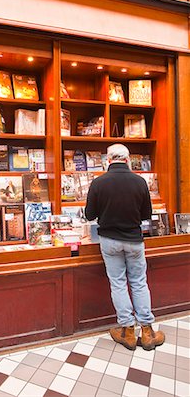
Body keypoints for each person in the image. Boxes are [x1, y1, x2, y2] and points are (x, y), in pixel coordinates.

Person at [85, 144, 165, 351]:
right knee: (139, 282)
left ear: (108, 160)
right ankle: (147, 332)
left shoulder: (98, 182)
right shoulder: (139, 182)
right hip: (134, 240)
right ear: (128, 160)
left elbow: (89, 215)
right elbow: (147, 215)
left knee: (118, 283)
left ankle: (128, 332)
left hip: (109, 240)